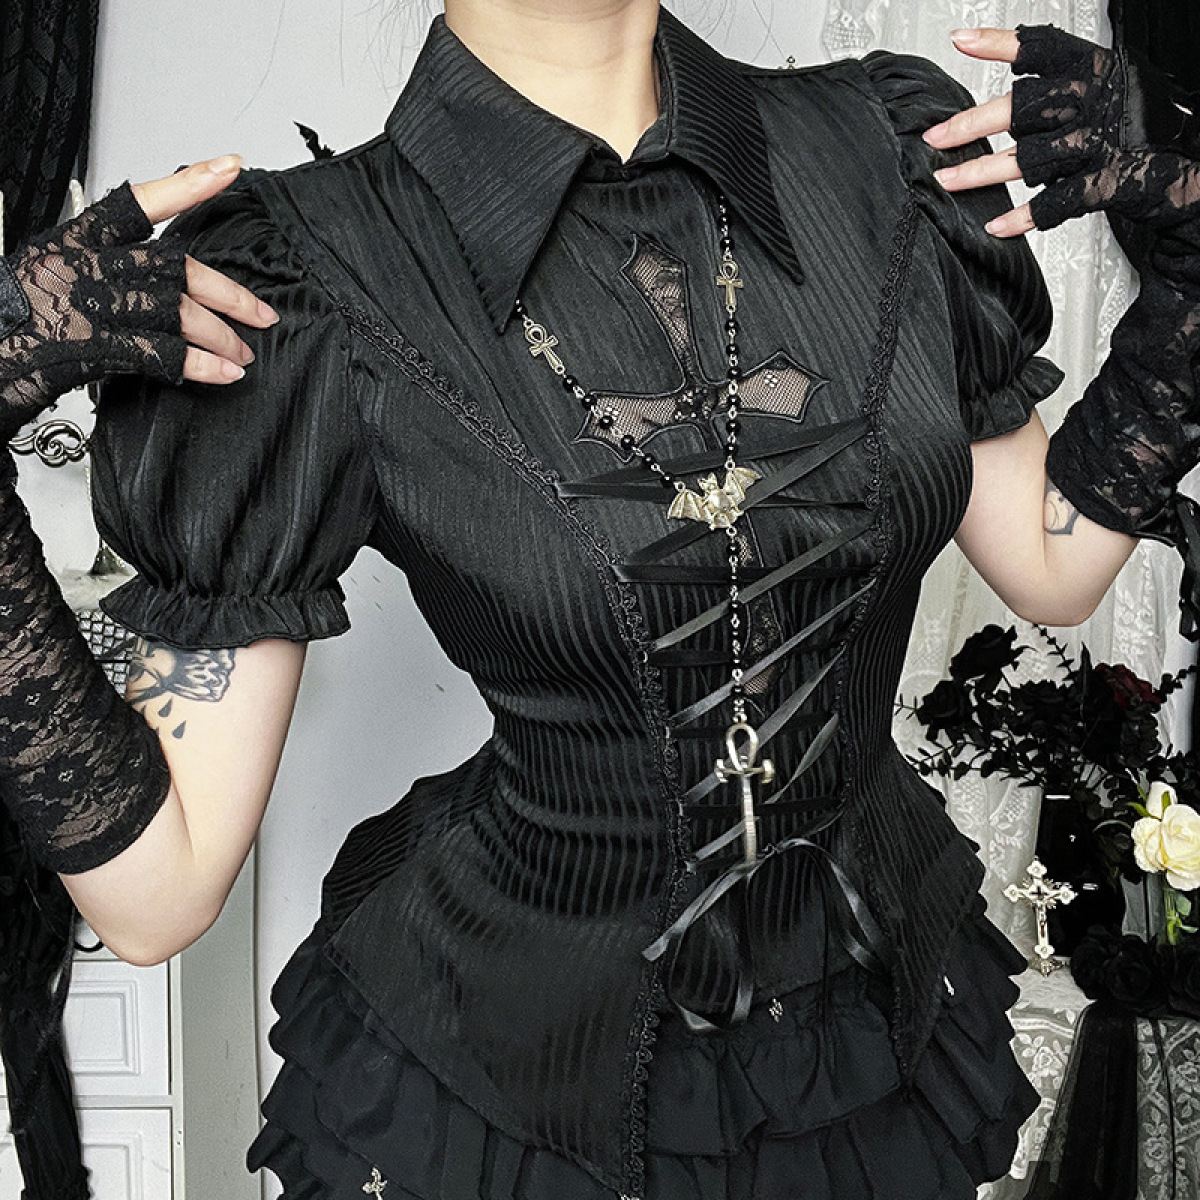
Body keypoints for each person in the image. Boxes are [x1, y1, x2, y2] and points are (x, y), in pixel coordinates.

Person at [2, 5, 1198, 1197]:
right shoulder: (303, 272)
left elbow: (1055, 564)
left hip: (866, 1050)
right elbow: (157, 897)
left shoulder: (887, 153)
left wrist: (1193, 244)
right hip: (507, 1091)